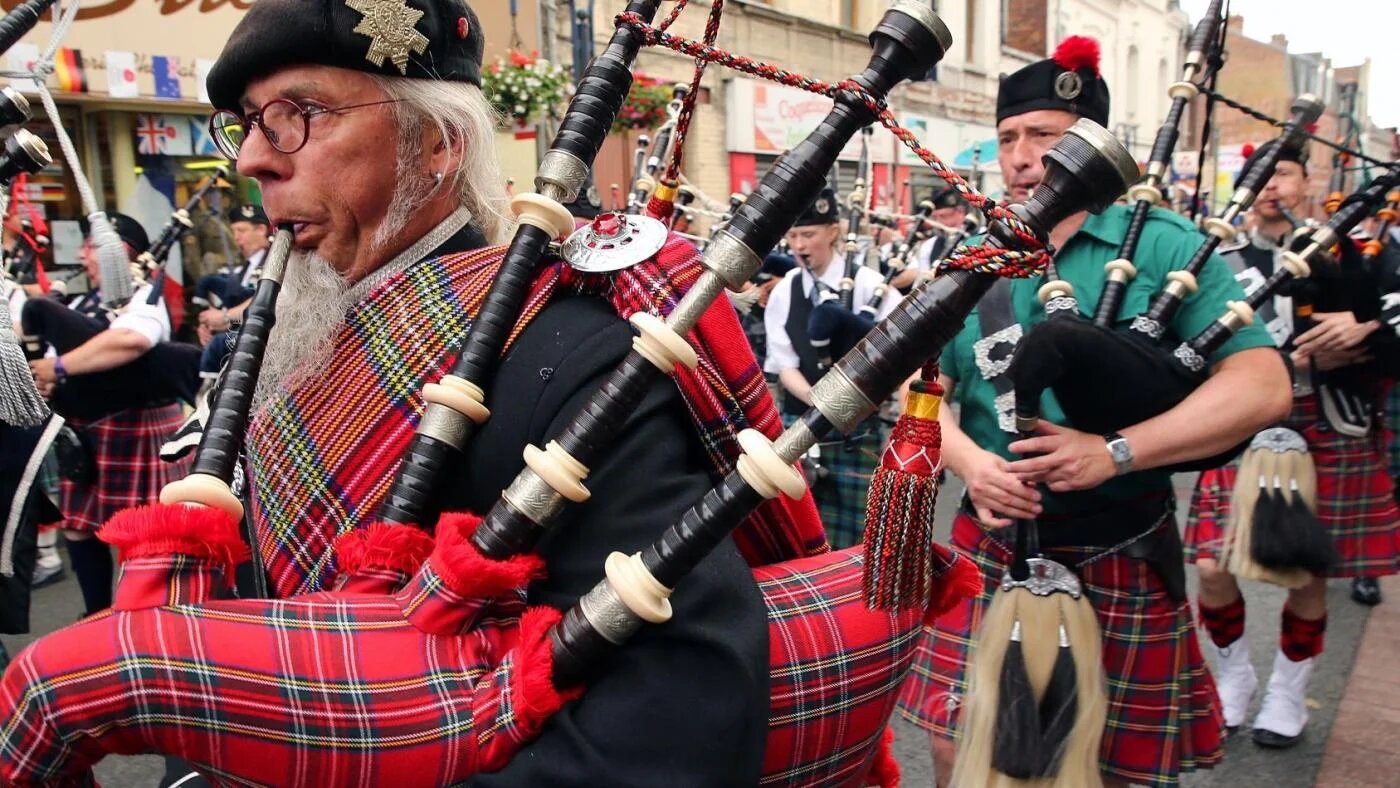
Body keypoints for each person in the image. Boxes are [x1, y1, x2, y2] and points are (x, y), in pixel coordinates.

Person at [118, 0, 774, 781]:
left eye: (299, 115)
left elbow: (677, 723)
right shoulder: (288, 346)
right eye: (249, 124)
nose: (253, 160)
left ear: (437, 144)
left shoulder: (573, 362)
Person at [895, 37, 1291, 787]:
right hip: (992, 541)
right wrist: (972, 464)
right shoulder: (973, 255)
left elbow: (1262, 386)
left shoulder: (1166, 245)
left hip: (1120, 542)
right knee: (958, 748)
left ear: (1090, 145)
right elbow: (924, 399)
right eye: (1008, 137)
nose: (1021, 157)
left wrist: (1115, 451)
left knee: (1105, 767)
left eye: (1043, 135)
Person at [1185, 139, 1400, 748]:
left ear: (1307, 182)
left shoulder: (1353, 250)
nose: (1270, 187)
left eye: (1282, 174)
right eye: (1258, 178)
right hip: (1239, 424)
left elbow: (1389, 324)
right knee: (1212, 565)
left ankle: (1287, 690)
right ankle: (1234, 676)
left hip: (1325, 424)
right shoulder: (1216, 259)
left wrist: (1366, 331)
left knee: (1306, 573)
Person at [25, 213, 194, 616]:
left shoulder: (144, 297)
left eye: (92, 248)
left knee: (144, 533)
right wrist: (48, 380)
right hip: (89, 432)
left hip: (135, 426)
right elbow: (59, 356)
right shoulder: (83, 302)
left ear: (121, 254)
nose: (84, 256)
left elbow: (130, 341)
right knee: (78, 527)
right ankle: (96, 614)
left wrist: (57, 368)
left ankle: (150, 618)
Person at [763, 188, 900, 547]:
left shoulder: (872, 286)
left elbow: (903, 358)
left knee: (857, 542)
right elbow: (784, 364)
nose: (799, 245)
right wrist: (820, 399)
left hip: (858, 431)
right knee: (800, 536)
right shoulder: (785, 291)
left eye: (808, 234)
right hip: (801, 425)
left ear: (834, 231)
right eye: (793, 235)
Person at [195, 203, 272, 378]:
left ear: (261, 229)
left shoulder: (277, 264)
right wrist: (208, 325)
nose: (236, 237)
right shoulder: (241, 270)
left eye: (241, 230)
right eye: (234, 231)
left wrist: (225, 317)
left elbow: (267, 298)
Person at [892, 186, 974, 290]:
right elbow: (921, 279)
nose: (938, 222)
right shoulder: (930, 245)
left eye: (943, 216)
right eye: (935, 217)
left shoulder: (979, 239)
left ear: (960, 212)